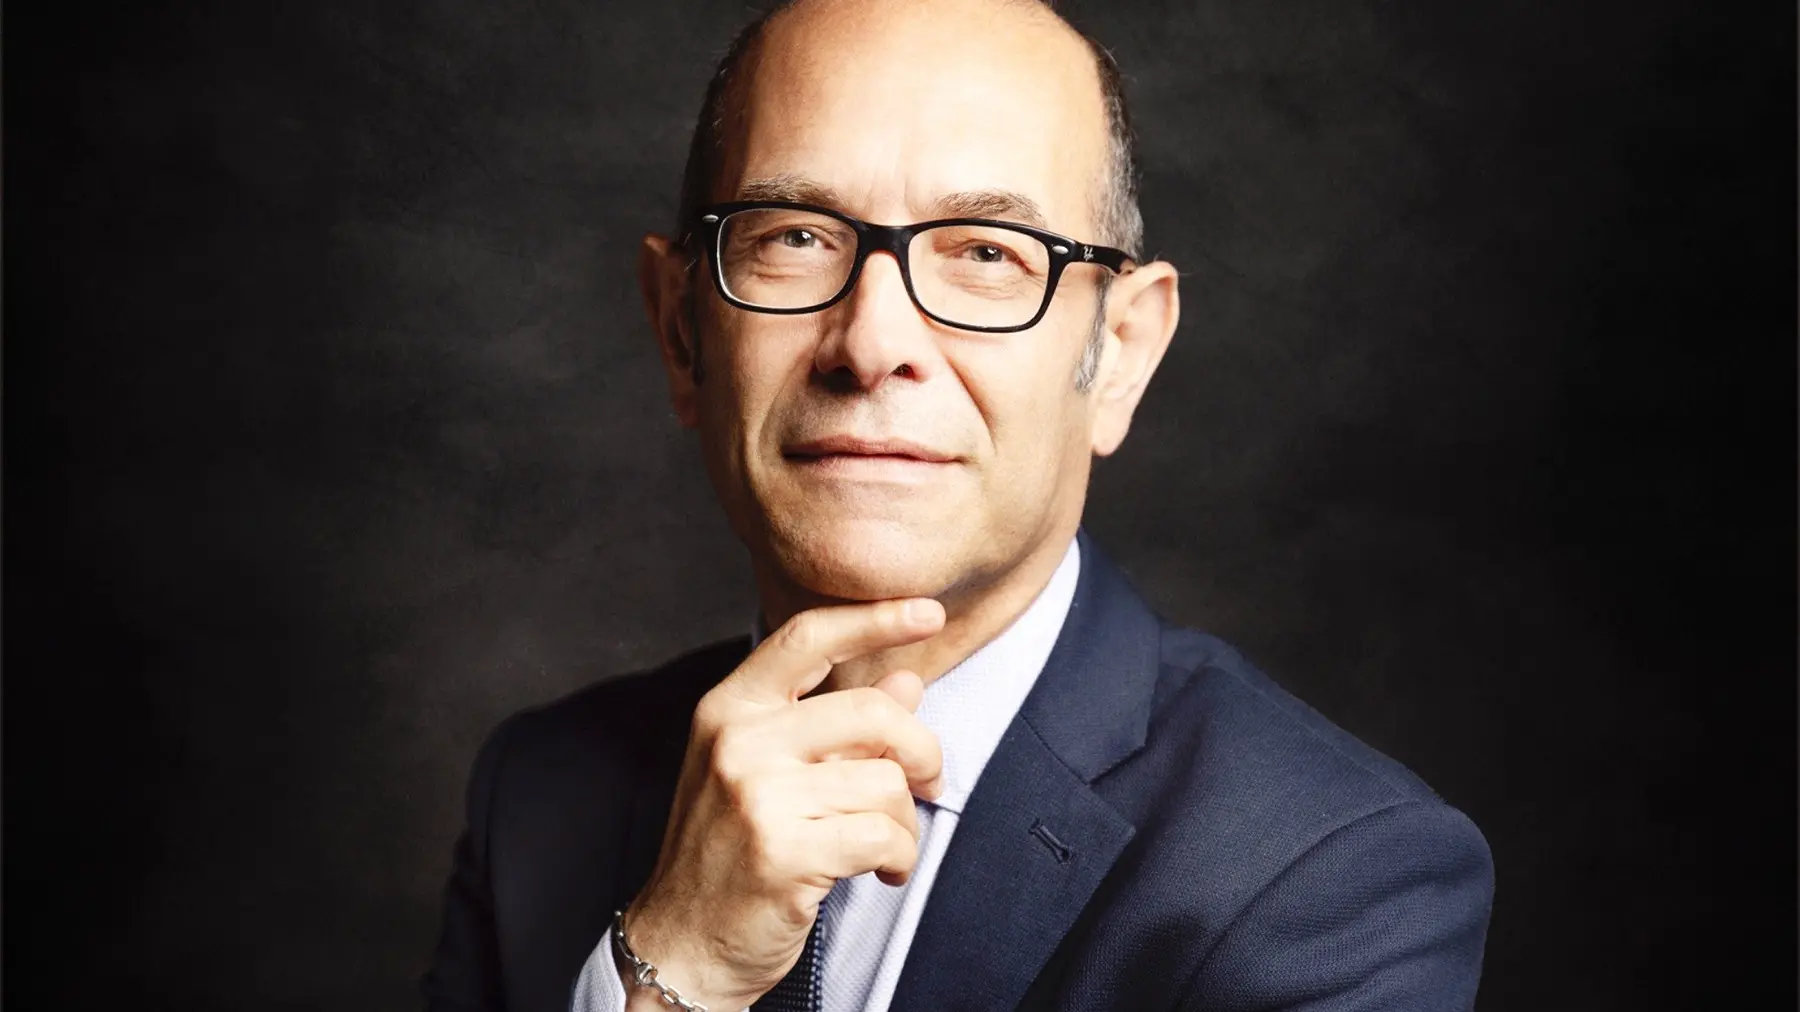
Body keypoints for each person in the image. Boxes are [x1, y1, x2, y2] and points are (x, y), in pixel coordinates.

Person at [422, 0, 1495, 1009]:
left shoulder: (1332, 877)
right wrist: (676, 969)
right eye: (795, 236)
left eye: (986, 253)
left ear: (1120, 354)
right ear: (679, 333)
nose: (872, 343)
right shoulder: (539, 794)